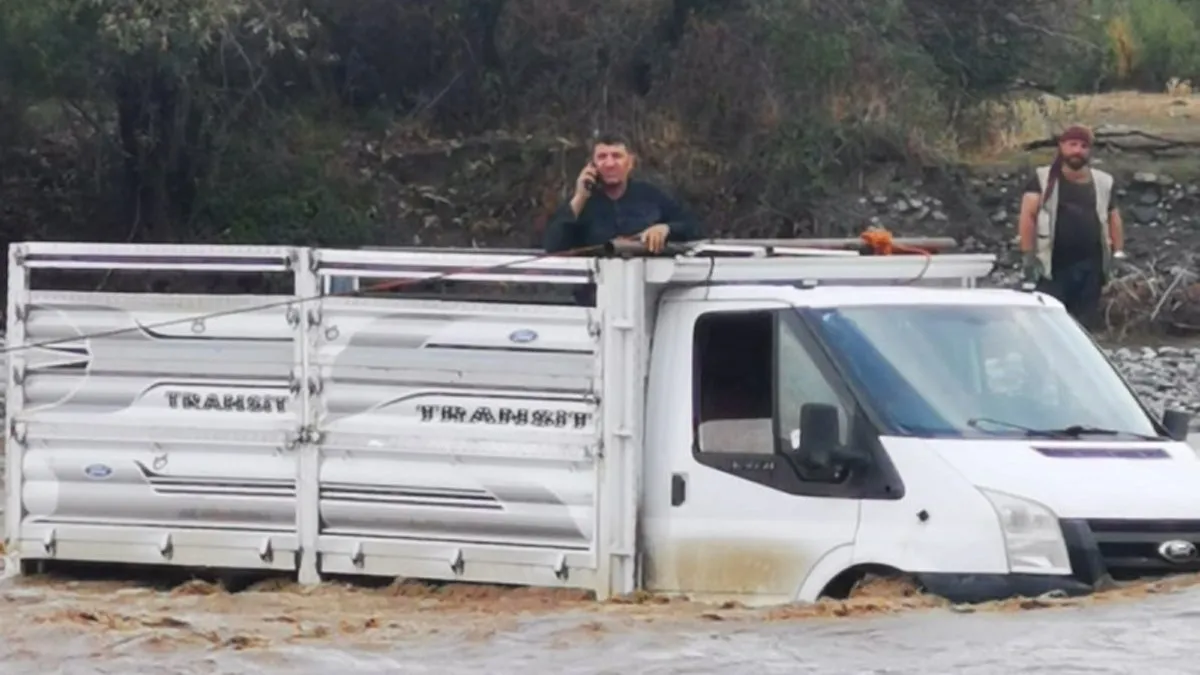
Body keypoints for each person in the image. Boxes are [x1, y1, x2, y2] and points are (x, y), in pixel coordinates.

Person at [1017, 124, 1126, 329]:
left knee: (1084, 325)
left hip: (1091, 267)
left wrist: (1118, 253)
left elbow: (1113, 217)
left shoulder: (1104, 181)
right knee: (1050, 322)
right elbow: (1027, 217)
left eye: (1083, 146)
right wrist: (1028, 255)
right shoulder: (1042, 178)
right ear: (1061, 146)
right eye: (1073, 144)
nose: (1078, 150)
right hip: (1052, 265)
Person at [543, 132, 702, 255]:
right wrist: (580, 197)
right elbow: (553, 248)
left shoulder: (652, 196)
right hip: (597, 285)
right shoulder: (582, 204)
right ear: (592, 164)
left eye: (617, 156)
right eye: (602, 157)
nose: (610, 164)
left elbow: (693, 229)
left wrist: (666, 229)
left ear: (630, 162)